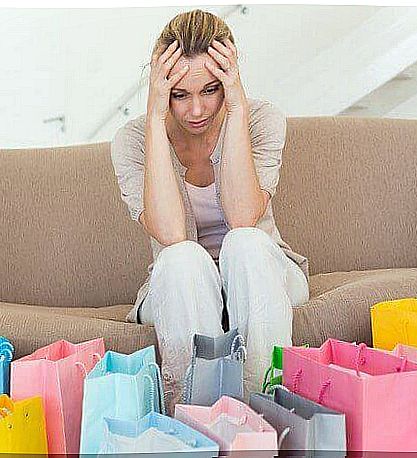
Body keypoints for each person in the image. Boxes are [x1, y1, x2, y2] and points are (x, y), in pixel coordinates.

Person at [110, 9, 309, 411]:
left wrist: (236, 108)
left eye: (211, 90)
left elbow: (243, 217)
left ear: (229, 81)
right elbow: (169, 234)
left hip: (262, 272)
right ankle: (195, 417)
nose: (196, 111)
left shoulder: (260, 120)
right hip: (178, 283)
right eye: (180, 95)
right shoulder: (132, 141)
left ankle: (262, 412)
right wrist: (153, 117)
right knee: (184, 257)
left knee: (247, 243)